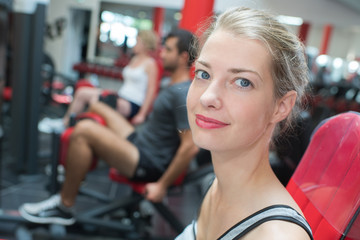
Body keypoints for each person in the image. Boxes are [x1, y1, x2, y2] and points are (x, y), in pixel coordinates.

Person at [19, 29, 199, 225]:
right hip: (141, 142)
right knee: (98, 104)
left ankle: (64, 206)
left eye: (168, 50)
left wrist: (161, 186)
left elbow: (190, 146)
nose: (162, 53)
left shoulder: (183, 93)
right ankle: (78, 160)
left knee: (84, 130)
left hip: (148, 162)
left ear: (182, 57)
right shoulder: (169, 83)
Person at [176, 7, 313, 240]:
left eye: (242, 82)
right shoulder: (217, 186)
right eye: (204, 74)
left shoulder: (277, 236)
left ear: (281, 106)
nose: (207, 97)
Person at [39, 29, 159, 133]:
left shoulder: (150, 64)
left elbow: (151, 91)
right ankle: (64, 123)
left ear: (145, 44)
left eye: (137, 41)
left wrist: (142, 115)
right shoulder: (134, 59)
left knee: (99, 100)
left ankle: (80, 128)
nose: (135, 44)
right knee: (82, 92)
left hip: (133, 103)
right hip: (122, 96)